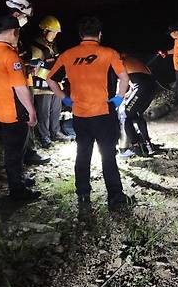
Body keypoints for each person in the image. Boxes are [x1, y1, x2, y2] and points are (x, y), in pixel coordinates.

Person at [46, 16, 131, 211]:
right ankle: (115, 199)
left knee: (82, 154)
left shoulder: (68, 54)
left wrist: (64, 98)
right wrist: (118, 99)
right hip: (103, 113)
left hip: (80, 115)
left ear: (80, 35)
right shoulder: (109, 53)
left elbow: (51, 79)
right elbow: (124, 78)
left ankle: (83, 197)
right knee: (108, 155)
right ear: (99, 35)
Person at [0, 16, 41, 201]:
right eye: (18, 33)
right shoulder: (10, 55)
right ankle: (17, 191)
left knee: (11, 149)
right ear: (14, 32)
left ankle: (18, 179)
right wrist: (31, 110)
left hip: (0, 109)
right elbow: (20, 87)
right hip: (15, 110)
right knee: (16, 151)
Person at [4, 0, 50, 166]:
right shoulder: (8, 33)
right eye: (25, 16)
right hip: (17, 83)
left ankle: (28, 152)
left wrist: (29, 64)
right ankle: (24, 157)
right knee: (24, 118)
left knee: (26, 119)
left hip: (24, 78)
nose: (26, 20)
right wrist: (26, 64)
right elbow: (11, 61)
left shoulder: (17, 32)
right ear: (17, 14)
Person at [31, 15, 71, 148]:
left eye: (56, 33)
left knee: (56, 109)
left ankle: (56, 132)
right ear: (45, 31)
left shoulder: (53, 45)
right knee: (44, 111)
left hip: (56, 82)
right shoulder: (36, 45)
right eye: (52, 32)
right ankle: (44, 136)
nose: (54, 35)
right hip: (42, 83)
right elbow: (34, 65)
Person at [118, 54, 156, 158]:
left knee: (125, 114)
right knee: (137, 114)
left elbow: (123, 81)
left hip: (142, 88)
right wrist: (128, 94)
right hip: (152, 87)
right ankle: (148, 145)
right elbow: (134, 81)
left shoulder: (121, 62)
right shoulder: (134, 59)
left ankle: (135, 147)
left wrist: (119, 97)